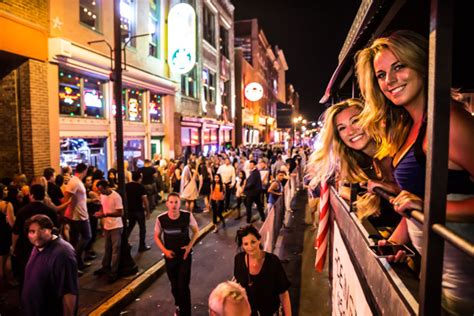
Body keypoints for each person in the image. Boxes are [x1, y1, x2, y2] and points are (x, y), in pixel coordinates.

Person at [355, 30, 474, 314]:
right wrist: (398, 240)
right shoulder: (411, 126)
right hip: (433, 273)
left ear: (423, 64)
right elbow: (417, 198)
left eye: (399, 66)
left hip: (463, 286)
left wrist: (429, 208)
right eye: (381, 74)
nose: (389, 81)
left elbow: (427, 202)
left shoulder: (449, 122)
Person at [21, 214, 78, 316]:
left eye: (42, 230)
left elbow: (69, 292)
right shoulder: (38, 245)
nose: (37, 235)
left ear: (51, 229)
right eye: (32, 231)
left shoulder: (63, 254)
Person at [154, 192, 199, 316]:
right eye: (171, 202)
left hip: (184, 256)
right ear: (167, 203)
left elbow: (196, 231)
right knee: (174, 286)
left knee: (183, 285)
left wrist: (189, 247)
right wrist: (165, 251)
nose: (174, 205)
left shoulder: (187, 216)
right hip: (170, 257)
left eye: (176, 202)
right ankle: (178, 305)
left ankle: (186, 312)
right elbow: (156, 236)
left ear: (180, 203)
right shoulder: (161, 219)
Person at [233, 225, 291, 316]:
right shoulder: (239, 260)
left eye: (253, 242)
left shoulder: (273, 261)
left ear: (259, 240)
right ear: (242, 246)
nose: (250, 247)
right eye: (246, 244)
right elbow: (238, 288)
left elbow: (284, 293)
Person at [11, 184, 60, 288]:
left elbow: (16, 232)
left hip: (26, 249)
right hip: (47, 249)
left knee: (26, 277)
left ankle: (26, 300)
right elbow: (56, 230)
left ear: (31, 195)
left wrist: (13, 246)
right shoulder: (50, 211)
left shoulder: (22, 211)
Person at [62, 163, 91, 274]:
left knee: (75, 240)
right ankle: (73, 262)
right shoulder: (74, 182)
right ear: (85, 170)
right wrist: (63, 214)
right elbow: (66, 199)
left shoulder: (76, 181)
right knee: (87, 236)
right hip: (78, 216)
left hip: (76, 215)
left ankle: (79, 263)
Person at [93, 180, 124, 283]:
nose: (100, 192)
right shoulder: (103, 196)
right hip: (107, 225)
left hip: (116, 226)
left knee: (115, 250)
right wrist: (100, 212)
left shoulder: (116, 196)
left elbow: (120, 213)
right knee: (107, 248)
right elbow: (103, 206)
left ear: (107, 187)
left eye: (101, 190)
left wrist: (105, 215)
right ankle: (105, 267)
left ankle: (114, 272)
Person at [125, 171, 151, 252]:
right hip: (139, 210)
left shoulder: (126, 186)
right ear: (139, 178)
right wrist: (148, 211)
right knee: (142, 228)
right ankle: (142, 246)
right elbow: (145, 200)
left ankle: (124, 243)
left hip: (129, 210)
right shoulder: (141, 187)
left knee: (130, 227)